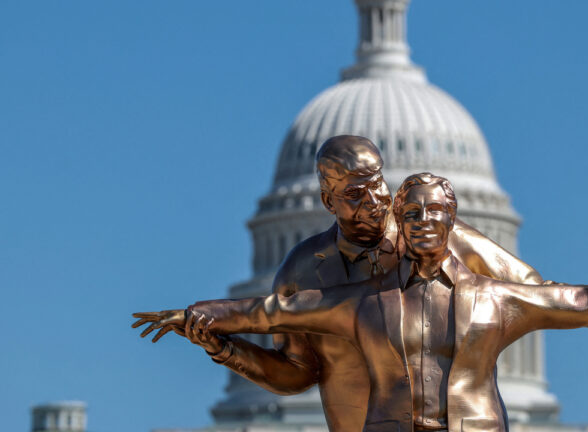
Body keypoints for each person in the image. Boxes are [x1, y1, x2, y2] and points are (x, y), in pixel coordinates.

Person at [135, 173, 588, 432]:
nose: (420, 224)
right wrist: (200, 316)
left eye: (433, 214)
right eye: (409, 214)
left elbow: (587, 302)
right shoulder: (363, 301)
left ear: (455, 222)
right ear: (397, 220)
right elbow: (275, 312)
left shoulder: (495, 300)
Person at [134, 136, 545, 432]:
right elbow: (297, 373)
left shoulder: (436, 238)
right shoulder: (302, 271)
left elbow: (531, 292)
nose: (375, 202)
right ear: (328, 201)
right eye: (355, 193)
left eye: (378, 184)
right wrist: (223, 347)